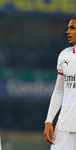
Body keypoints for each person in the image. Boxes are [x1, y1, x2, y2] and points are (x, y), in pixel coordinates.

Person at [44, 16, 76, 150]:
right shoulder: (65, 55)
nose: (67, 31)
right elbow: (59, 90)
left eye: (72, 28)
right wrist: (49, 120)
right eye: (69, 28)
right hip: (65, 126)